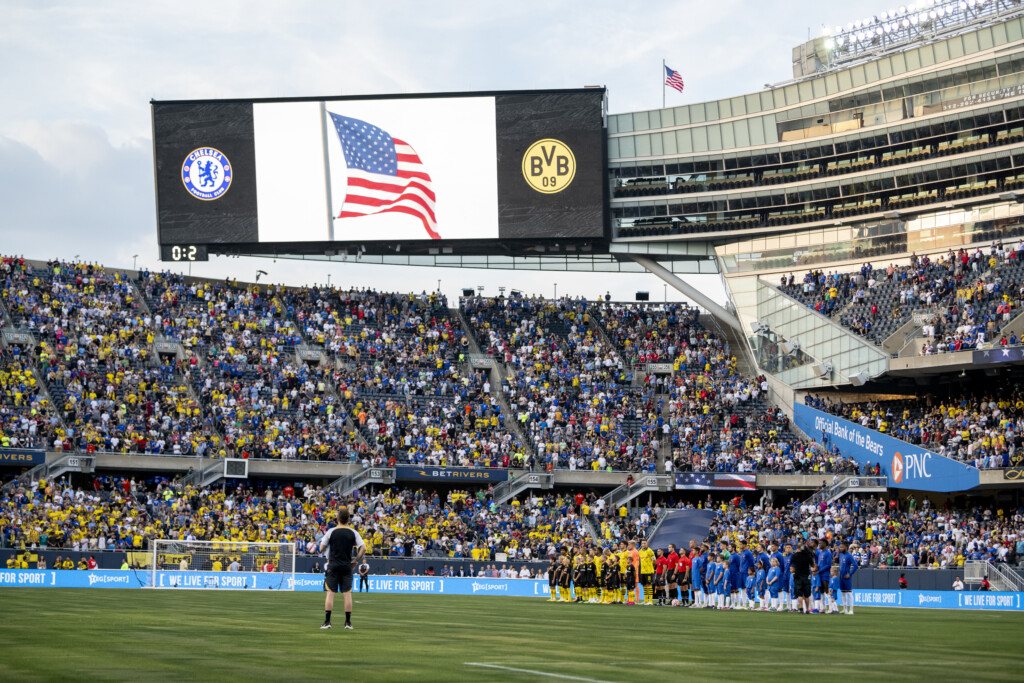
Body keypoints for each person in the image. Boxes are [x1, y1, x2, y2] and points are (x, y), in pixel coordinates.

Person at [318, 506, 366, 630]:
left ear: (337, 519)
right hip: (346, 565)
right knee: (347, 594)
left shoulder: (331, 531)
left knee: (330, 593)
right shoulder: (353, 532)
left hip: (333, 564)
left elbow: (321, 548)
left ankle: (327, 622)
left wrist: (326, 546)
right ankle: (348, 623)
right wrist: (356, 561)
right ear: (349, 519)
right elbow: (363, 548)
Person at [789, 539, 814, 614]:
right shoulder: (808, 555)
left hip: (798, 576)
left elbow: (793, 564)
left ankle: (801, 608)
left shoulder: (794, 556)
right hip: (806, 575)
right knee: (807, 594)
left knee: (799, 593)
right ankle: (807, 609)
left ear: (798, 548)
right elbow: (812, 564)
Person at [838, 542, 857, 615]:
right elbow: (841, 565)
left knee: (849, 592)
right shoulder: (840, 555)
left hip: (847, 577)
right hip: (841, 577)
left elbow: (855, 565)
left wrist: (850, 574)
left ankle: (851, 610)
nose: (841, 548)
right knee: (843, 593)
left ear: (846, 547)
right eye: (840, 547)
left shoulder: (849, 555)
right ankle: (845, 609)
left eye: (842, 547)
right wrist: (839, 571)